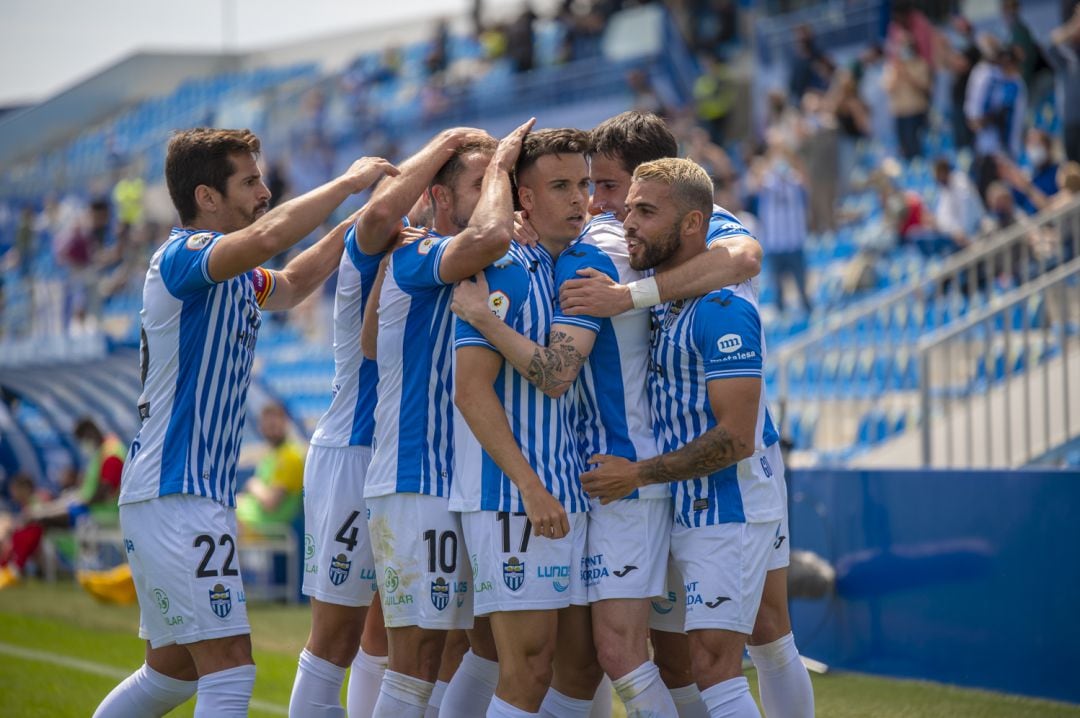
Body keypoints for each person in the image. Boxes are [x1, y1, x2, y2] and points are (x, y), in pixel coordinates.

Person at [450, 110, 764, 717]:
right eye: (574, 187)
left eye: (603, 187)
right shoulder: (593, 248)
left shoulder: (604, 253)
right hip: (604, 478)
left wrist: (489, 319)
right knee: (585, 660)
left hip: (629, 477)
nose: (596, 203)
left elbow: (744, 256)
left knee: (619, 653)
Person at [92, 127, 397, 718]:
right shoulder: (183, 257)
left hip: (175, 493)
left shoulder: (231, 273)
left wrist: (361, 224)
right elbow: (270, 236)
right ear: (207, 196)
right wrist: (350, 183)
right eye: (250, 181)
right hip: (176, 492)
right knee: (231, 667)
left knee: (174, 669)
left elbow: (293, 282)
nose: (263, 191)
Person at [286, 127, 487, 718]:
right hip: (356, 450)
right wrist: (447, 142)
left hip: (423, 464)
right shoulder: (381, 241)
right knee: (336, 638)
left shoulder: (452, 257)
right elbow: (377, 210)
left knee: (421, 631)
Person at [581, 157, 790, 718]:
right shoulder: (668, 298)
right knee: (699, 666)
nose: (627, 222)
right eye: (628, 209)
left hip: (731, 505)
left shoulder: (723, 310)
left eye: (645, 211)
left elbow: (737, 438)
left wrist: (640, 473)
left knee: (718, 667)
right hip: (691, 507)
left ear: (695, 224)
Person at [363, 122, 532, 718]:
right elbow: (488, 235)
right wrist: (506, 166)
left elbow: (370, 342)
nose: (497, 194)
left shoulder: (428, 260)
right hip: (416, 478)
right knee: (414, 659)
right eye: (482, 183)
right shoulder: (416, 253)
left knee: (479, 645)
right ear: (438, 197)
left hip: (456, 481)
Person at [452, 128, 603, 717]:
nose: (579, 199)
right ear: (525, 200)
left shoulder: (553, 265)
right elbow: (470, 391)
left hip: (560, 491)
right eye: (561, 186)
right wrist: (530, 486)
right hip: (512, 497)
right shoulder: (505, 267)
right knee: (527, 666)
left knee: (578, 665)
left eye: (585, 185)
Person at [235, 402, 304, 538]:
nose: (270, 429)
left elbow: (270, 502)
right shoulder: (272, 455)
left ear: (285, 423)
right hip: (260, 523)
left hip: (274, 528)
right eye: (267, 425)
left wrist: (253, 485)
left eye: (274, 425)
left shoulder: (289, 457)